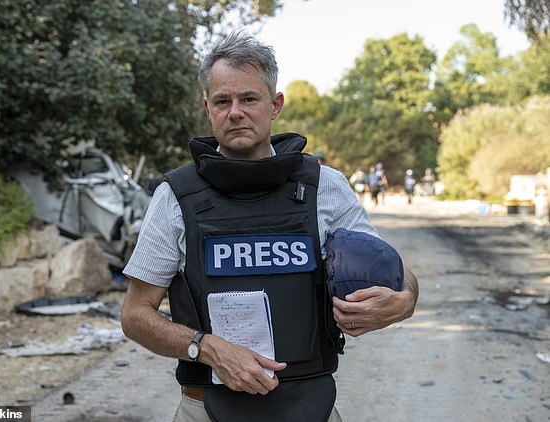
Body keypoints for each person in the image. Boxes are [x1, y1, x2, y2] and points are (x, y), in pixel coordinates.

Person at [120, 31, 418, 422]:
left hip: (310, 405)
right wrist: (206, 348)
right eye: (223, 101)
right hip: (205, 407)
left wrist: (406, 299)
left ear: (275, 105)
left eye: (249, 99)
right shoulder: (176, 195)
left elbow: (391, 275)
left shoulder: (323, 187)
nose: (235, 112)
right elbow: (135, 315)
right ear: (208, 108)